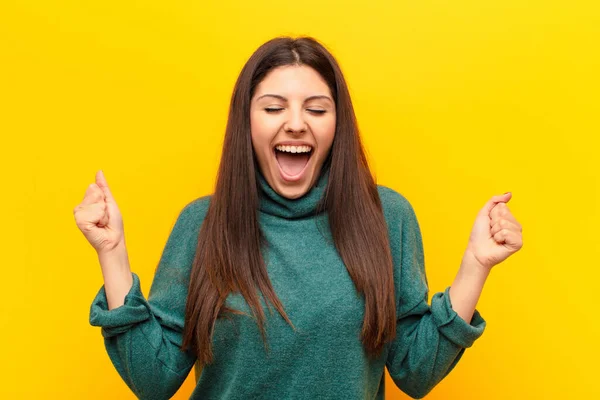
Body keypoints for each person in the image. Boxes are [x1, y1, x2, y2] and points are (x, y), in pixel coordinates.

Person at [74, 36, 523, 400]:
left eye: (316, 109)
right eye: (273, 108)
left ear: (337, 124)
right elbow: (154, 381)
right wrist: (111, 252)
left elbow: (415, 372)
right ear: (246, 121)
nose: (295, 124)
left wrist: (475, 265)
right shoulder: (203, 224)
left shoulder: (387, 217)